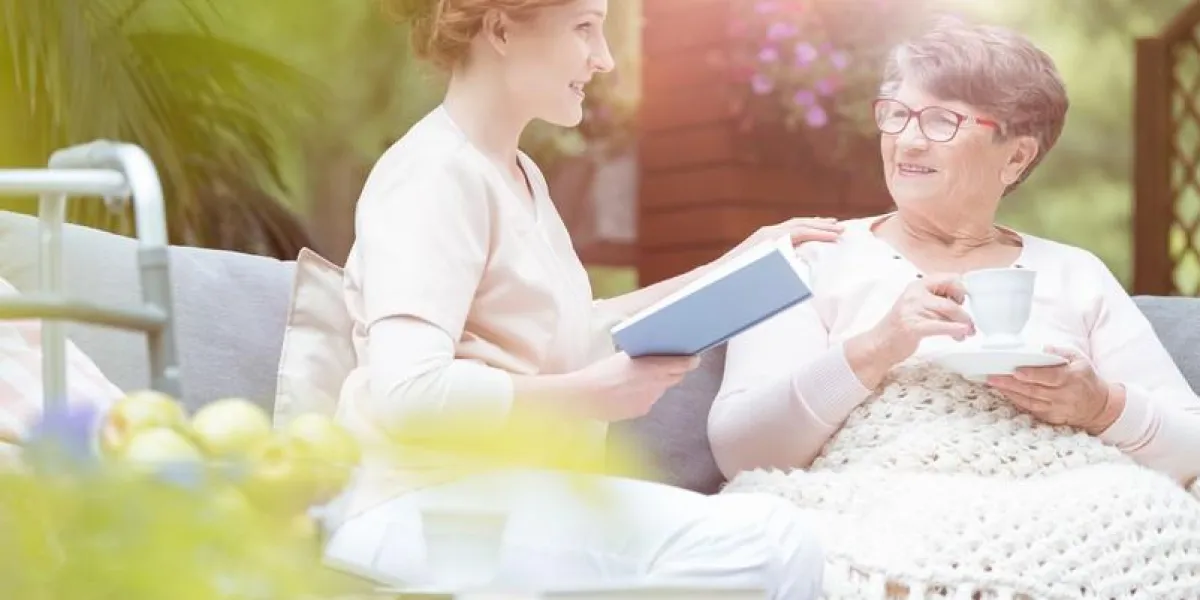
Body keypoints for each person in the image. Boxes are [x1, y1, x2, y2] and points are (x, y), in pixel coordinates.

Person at [318, 0, 838, 597]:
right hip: (419, 506)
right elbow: (407, 395)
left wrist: (735, 266)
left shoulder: (518, 175)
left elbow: (576, 328)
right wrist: (590, 395)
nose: (605, 59)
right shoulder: (433, 174)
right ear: (500, 30)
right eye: (585, 28)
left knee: (784, 536)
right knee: (766, 544)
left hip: (500, 496)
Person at [708, 18, 1200, 491]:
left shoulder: (1076, 274)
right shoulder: (808, 257)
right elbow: (740, 453)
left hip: (1062, 511)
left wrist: (1101, 407)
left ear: (1015, 157)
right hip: (875, 507)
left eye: (941, 120)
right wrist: (875, 348)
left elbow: (1191, 449)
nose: (908, 140)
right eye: (897, 114)